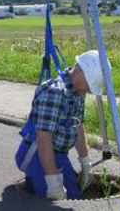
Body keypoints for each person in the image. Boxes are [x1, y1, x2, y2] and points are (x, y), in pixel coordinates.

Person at [15, 50, 110, 200]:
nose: (91, 90)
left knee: (74, 194)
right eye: (90, 84)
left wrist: (85, 162)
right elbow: (43, 139)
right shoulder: (54, 93)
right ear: (78, 72)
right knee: (51, 198)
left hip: (59, 155)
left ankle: (49, 181)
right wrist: (53, 182)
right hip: (36, 154)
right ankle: (32, 185)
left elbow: (78, 126)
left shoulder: (78, 93)